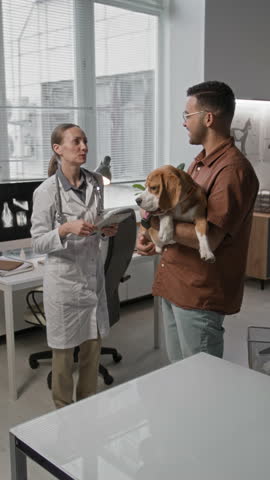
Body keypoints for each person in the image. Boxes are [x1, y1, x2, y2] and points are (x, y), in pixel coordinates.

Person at [136, 81, 259, 363]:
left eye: (186, 116)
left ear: (208, 118)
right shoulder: (199, 164)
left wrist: (161, 229)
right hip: (175, 285)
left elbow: (210, 239)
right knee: (180, 375)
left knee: (202, 383)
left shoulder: (232, 171)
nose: (184, 123)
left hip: (199, 295)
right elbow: (175, 213)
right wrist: (150, 232)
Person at [31, 123, 118, 408]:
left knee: (91, 354)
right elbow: (38, 243)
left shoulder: (95, 182)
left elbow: (96, 220)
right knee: (64, 359)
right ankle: (62, 413)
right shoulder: (46, 191)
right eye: (76, 142)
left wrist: (104, 229)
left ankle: (88, 410)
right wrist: (66, 229)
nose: (84, 147)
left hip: (92, 279)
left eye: (85, 141)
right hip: (65, 284)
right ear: (58, 149)